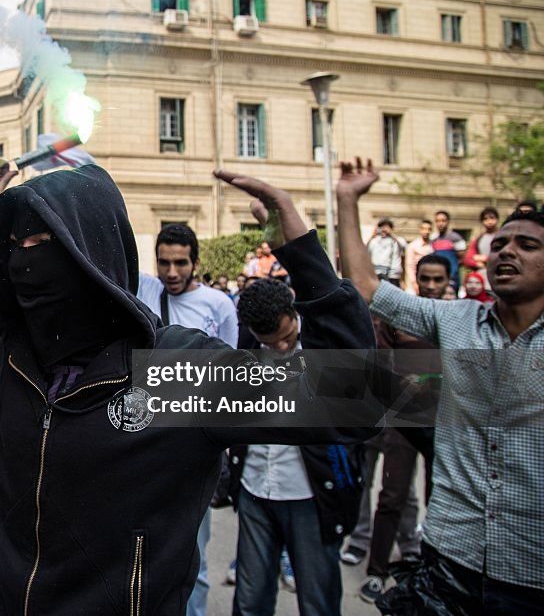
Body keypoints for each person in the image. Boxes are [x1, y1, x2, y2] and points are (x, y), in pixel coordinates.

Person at [0, 159, 377, 614]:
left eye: (43, 243)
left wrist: (303, 255)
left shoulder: (173, 374)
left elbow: (353, 398)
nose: (25, 260)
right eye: (14, 246)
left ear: (94, 250)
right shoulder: (9, 354)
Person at [337, 158, 544, 614]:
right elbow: (366, 287)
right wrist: (347, 200)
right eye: (502, 243)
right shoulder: (458, 320)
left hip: (532, 571)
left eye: (527, 245)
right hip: (451, 557)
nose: (507, 251)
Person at [229, 278, 365, 616]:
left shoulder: (326, 342)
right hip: (254, 488)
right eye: (268, 344)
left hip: (312, 495)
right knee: (249, 601)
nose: (279, 350)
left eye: (287, 339)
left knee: (318, 602)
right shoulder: (246, 341)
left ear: (294, 312)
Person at [136, 222, 240, 616]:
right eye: (164, 263)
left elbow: (231, 377)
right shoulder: (145, 289)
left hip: (195, 447)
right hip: (146, 442)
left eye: (181, 263)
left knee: (192, 556)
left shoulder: (219, 305)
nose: (172, 272)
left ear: (196, 262)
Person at [340, 253, 449, 603]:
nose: (432, 286)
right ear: (417, 278)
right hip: (401, 422)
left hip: (444, 426)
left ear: (449, 282)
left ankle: (433, 572)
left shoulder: (459, 320)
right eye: (426, 279)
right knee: (392, 495)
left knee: (441, 501)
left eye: (439, 280)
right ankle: (377, 571)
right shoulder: (398, 318)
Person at [430, 211, 466, 291]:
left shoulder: (456, 238)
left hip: (452, 278)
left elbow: (462, 259)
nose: (440, 224)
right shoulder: (433, 239)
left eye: (443, 221)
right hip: (437, 277)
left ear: (448, 221)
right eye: (438, 221)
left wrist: (452, 271)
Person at [462, 207, 499, 281]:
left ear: (497, 219)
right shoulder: (478, 239)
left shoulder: (502, 236)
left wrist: (483, 258)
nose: (489, 221)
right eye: (486, 219)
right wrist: (477, 264)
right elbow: (467, 260)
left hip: (498, 275)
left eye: (492, 218)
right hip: (482, 277)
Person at [367, 219, 406, 287]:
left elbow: (404, 246)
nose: (384, 229)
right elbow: (365, 250)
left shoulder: (396, 240)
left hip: (393, 275)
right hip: (377, 274)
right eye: (382, 227)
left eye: (387, 227)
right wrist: (373, 235)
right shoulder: (374, 241)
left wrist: (391, 234)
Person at [403, 220, 434, 295]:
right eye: (424, 229)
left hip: (429, 281)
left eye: (429, 229)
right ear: (420, 230)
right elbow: (409, 266)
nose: (426, 231)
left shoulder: (433, 246)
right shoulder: (413, 246)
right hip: (415, 282)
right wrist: (414, 283)